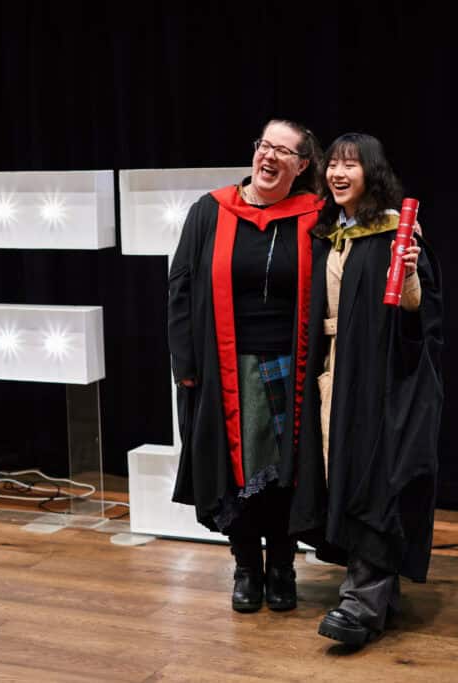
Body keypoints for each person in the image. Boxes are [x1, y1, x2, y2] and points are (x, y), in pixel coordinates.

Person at [290, 133, 443, 647]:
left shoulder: (394, 233)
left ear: (371, 173)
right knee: (342, 477)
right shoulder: (331, 233)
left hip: (378, 380)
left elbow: (418, 313)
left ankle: (360, 604)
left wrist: (409, 275)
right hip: (333, 374)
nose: (337, 172)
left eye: (350, 165)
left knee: (374, 480)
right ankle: (378, 591)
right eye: (332, 163)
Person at [168, 119, 323, 612]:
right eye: (264, 145)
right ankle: (245, 566)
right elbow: (181, 287)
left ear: (301, 166)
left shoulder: (316, 216)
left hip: (292, 365)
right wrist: (185, 363)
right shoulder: (210, 211)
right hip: (223, 369)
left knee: (284, 475)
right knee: (234, 475)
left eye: (284, 150)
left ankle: (281, 564)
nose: (269, 156)